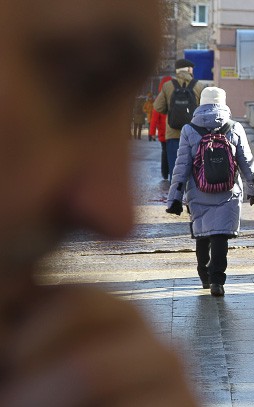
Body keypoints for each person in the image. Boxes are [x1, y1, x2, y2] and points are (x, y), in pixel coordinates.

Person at [0, 1, 199, 405]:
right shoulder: (195, 89)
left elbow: (159, 112)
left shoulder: (166, 88)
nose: (117, 214)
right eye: (83, 80)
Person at [165, 87, 254, 297]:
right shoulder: (234, 127)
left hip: (199, 191)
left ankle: (204, 275)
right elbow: (246, 160)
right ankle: (218, 279)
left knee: (203, 234)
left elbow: (181, 166)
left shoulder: (189, 130)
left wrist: (175, 198)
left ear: (201, 103)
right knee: (220, 236)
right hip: (228, 192)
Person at [153, 58, 206, 182]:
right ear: (188, 69)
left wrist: (172, 111)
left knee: (175, 170)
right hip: (194, 134)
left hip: (173, 134)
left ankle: (175, 197)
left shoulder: (167, 86)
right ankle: (191, 197)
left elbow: (158, 107)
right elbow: (205, 110)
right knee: (194, 169)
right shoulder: (199, 86)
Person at [150, 76, 173, 179]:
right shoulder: (175, 96)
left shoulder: (159, 100)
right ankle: (172, 172)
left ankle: (164, 173)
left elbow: (154, 119)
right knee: (174, 152)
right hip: (173, 131)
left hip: (163, 133)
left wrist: (152, 133)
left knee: (164, 152)